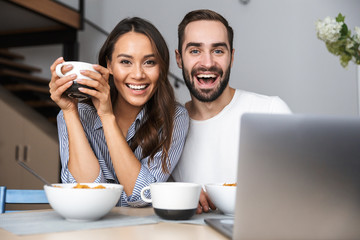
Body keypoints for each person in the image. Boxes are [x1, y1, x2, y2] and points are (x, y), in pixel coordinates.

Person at [49, 17, 189, 207]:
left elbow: (141, 196)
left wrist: (107, 117)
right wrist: (70, 111)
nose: (138, 74)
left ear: (161, 67)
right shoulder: (76, 114)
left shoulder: (174, 117)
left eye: (149, 62)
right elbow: (86, 196)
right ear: (109, 65)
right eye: (126, 62)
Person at [171, 9, 291, 213]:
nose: (207, 63)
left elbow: (303, 189)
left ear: (231, 57)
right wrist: (178, 193)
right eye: (195, 51)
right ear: (179, 59)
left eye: (218, 51)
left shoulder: (270, 111)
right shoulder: (170, 126)